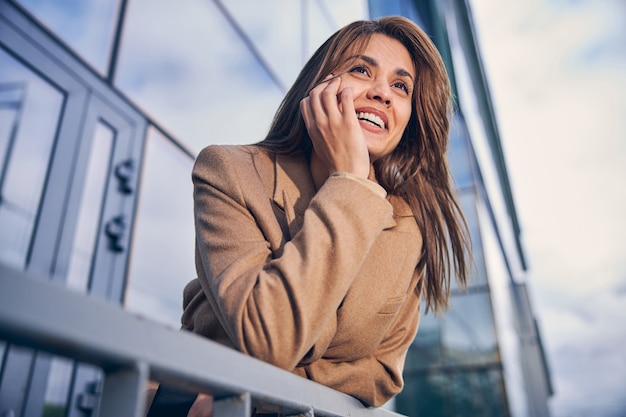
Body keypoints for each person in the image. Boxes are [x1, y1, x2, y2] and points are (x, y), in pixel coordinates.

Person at [163, 15, 470, 416]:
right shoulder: (229, 171)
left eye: (401, 86)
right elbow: (269, 336)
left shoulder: (409, 228)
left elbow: (381, 375)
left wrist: (261, 384)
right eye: (361, 70)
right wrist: (349, 183)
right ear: (318, 85)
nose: (383, 94)